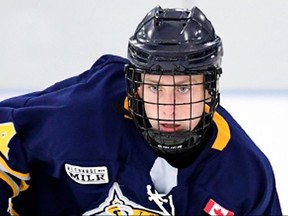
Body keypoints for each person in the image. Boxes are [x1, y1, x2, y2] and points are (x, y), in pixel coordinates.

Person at [0, 5, 282, 216]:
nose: (168, 108)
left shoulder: (244, 177)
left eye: (184, 88)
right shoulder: (82, 117)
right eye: (155, 88)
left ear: (209, 89)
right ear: (135, 88)